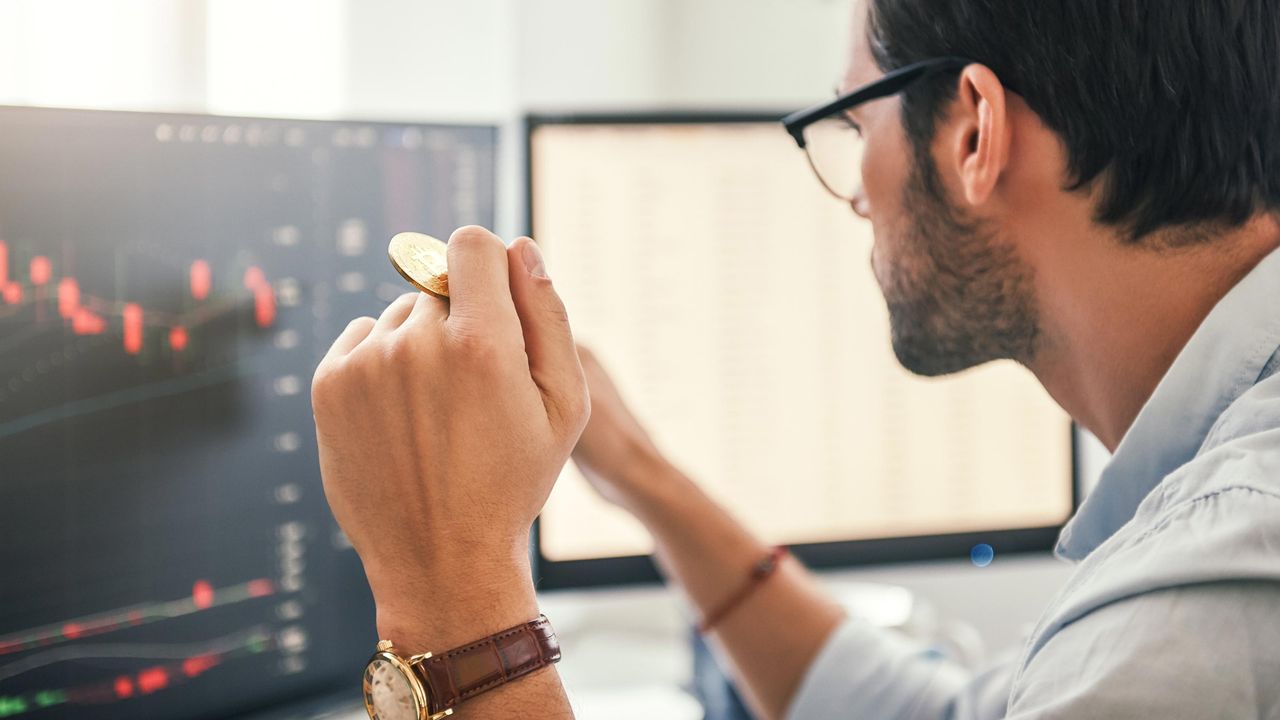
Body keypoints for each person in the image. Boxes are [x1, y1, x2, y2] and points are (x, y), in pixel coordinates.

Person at [310, 0, 1280, 717]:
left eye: (855, 123)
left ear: (973, 134)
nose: (852, 187)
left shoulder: (1199, 614)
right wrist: (635, 471)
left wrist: (448, 585)